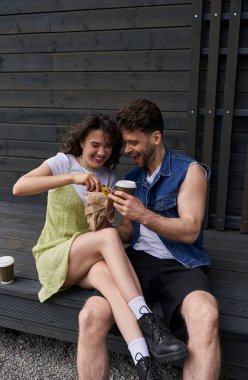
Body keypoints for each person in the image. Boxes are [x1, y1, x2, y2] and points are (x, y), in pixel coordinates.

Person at [12, 113, 188, 380]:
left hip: (85, 257)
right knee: (110, 240)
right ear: (82, 141)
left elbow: (101, 231)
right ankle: (148, 319)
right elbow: (19, 187)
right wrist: (72, 178)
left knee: (112, 285)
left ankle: (144, 362)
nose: (102, 152)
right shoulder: (63, 163)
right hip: (55, 254)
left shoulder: (108, 177)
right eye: (96, 144)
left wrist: (114, 209)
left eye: (108, 146)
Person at [79, 100, 221, 380]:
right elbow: (129, 231)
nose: (126, 149)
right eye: (125, 142)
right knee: (90, 315)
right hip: (139, 263)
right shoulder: (132, 178)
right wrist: (104, 229)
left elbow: (191, 230)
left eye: (133, 142)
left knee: (206, 315)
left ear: (156, 137)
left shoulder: (189, 172)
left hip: (181, 263)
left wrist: (143, 213)